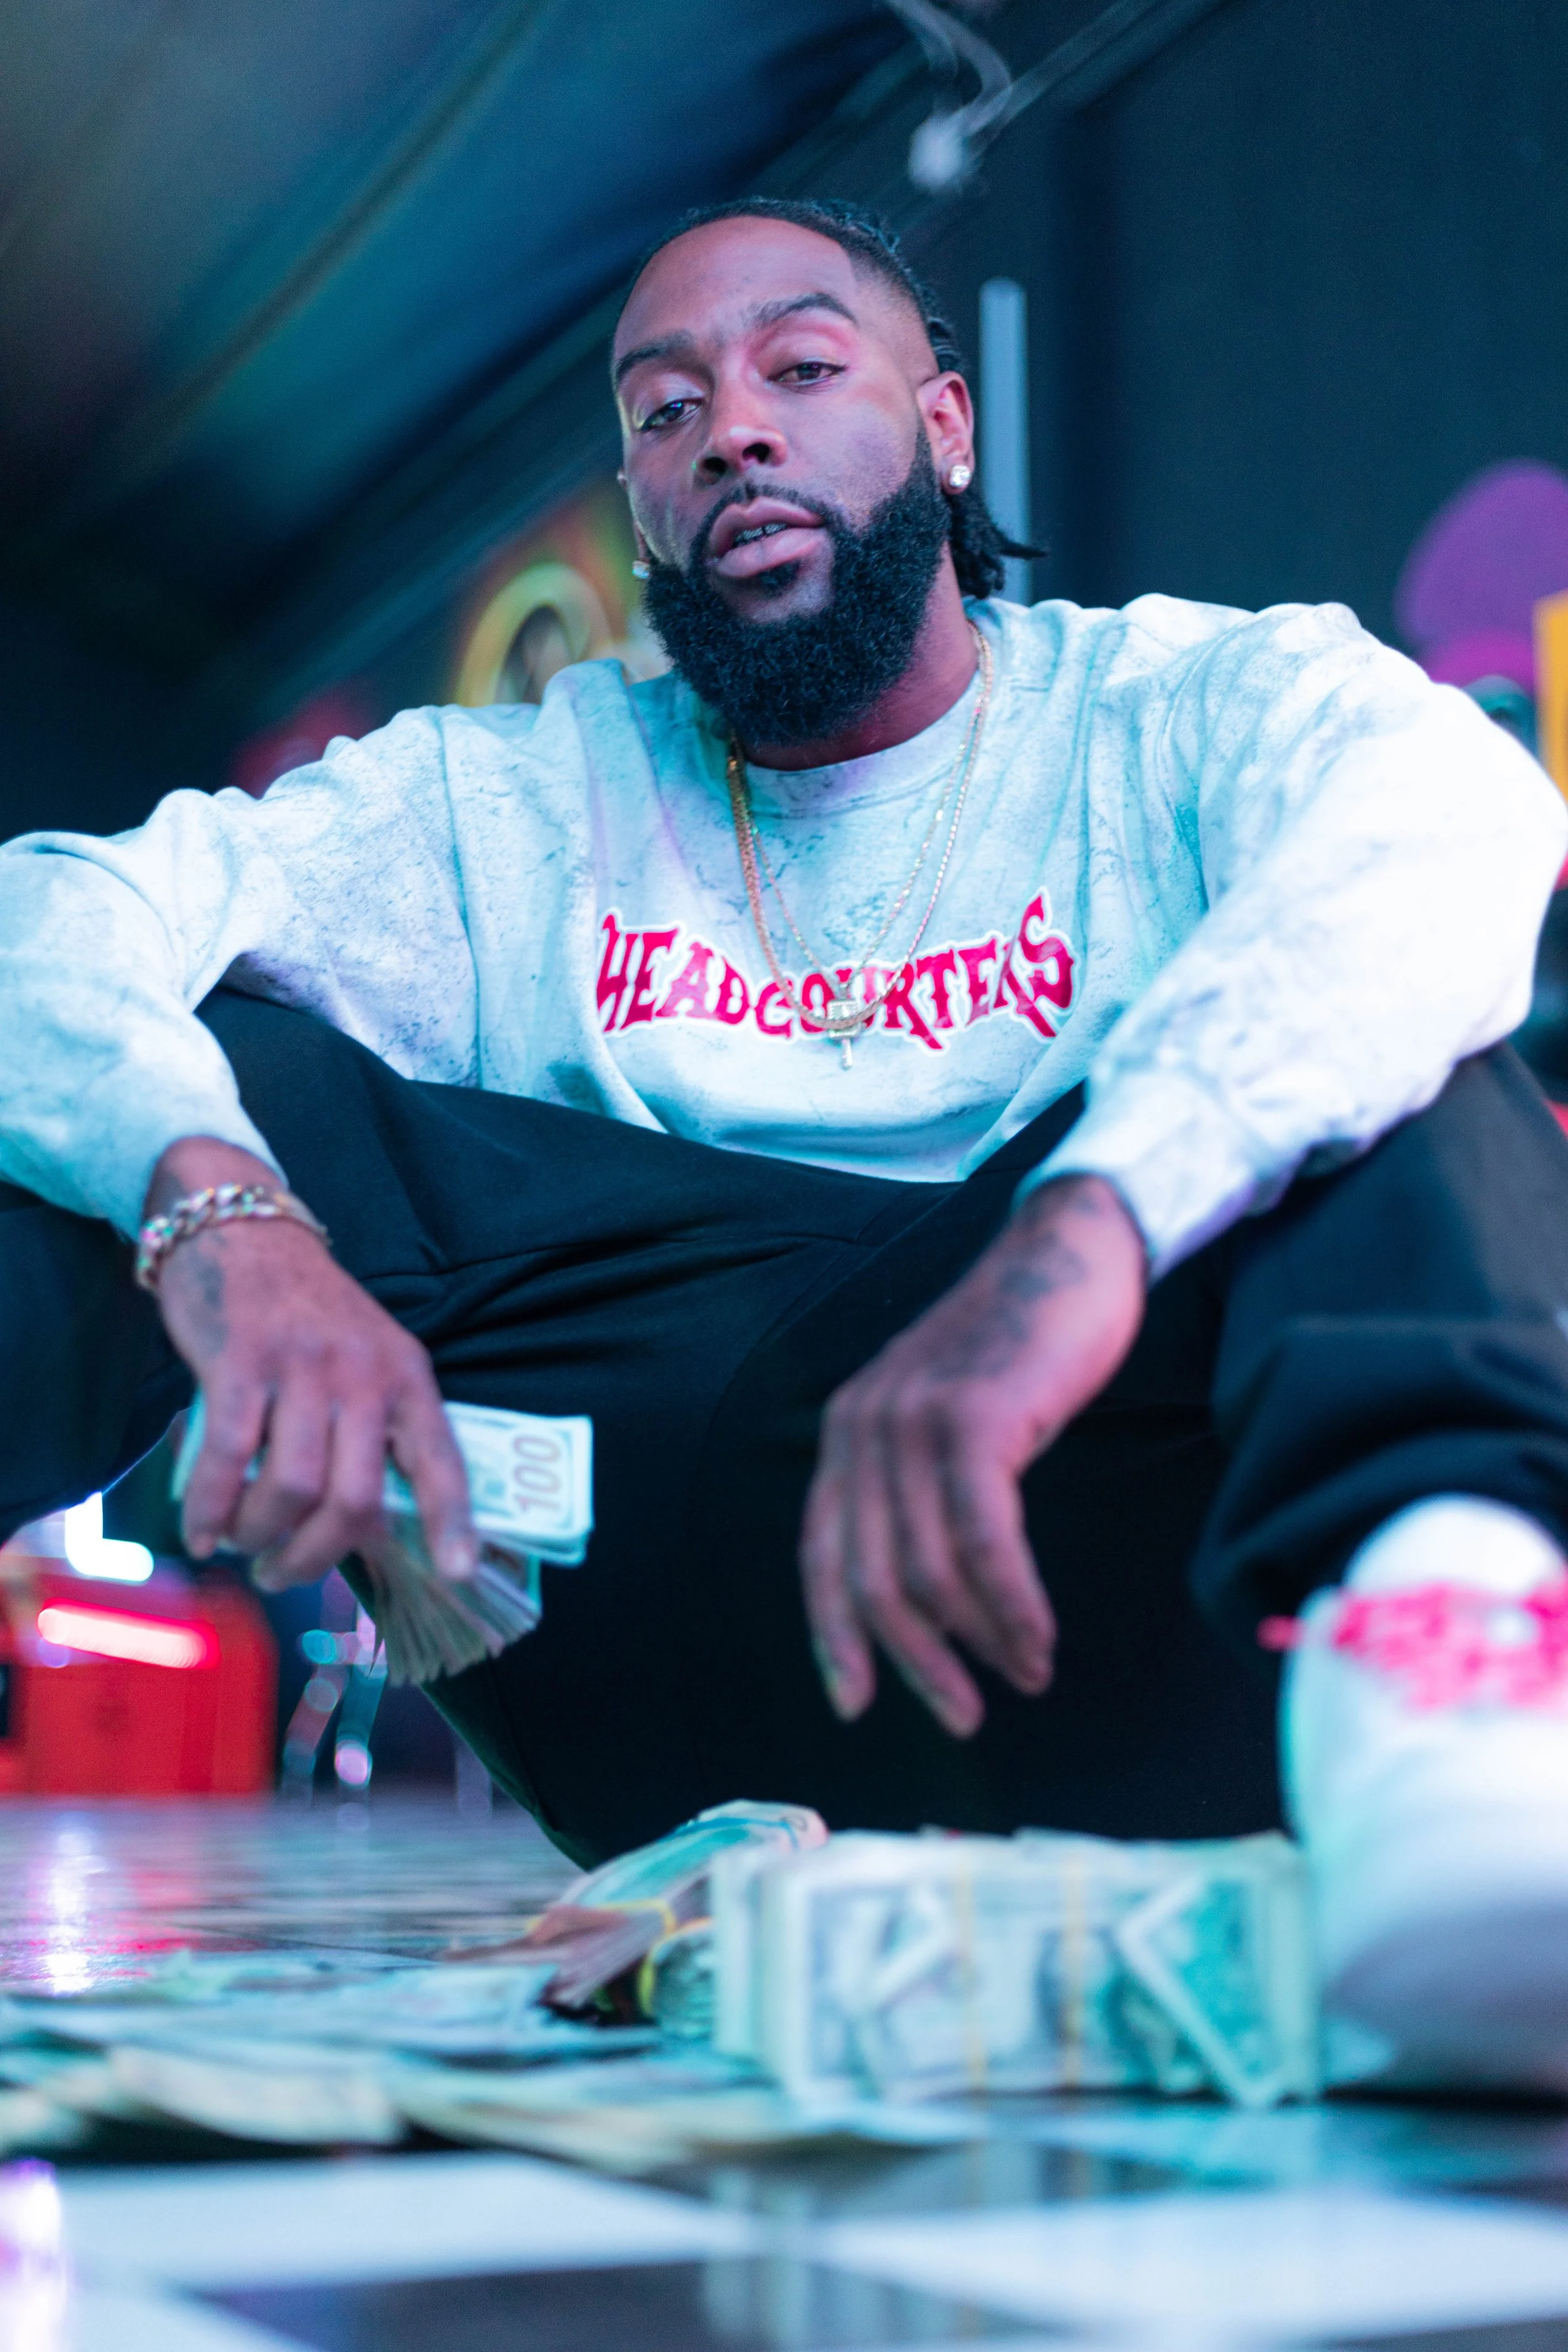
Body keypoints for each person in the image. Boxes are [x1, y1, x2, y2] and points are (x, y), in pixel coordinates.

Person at [4, 197, 1568, 2087]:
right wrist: (223, 1215)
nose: (728, 428)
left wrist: (1083, 1233)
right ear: (645, 501)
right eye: (662, 410)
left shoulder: (1167, 706)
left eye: (800, 370)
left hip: (1089, 1573)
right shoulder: (502, 799)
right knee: (181, 1072)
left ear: (944, 427)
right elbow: (50, 917)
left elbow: (1453, 823)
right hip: (649, 1608)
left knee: (1396, 1052)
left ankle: (1462, 1769)